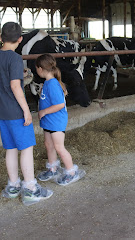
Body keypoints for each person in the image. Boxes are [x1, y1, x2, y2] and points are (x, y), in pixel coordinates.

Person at [0, 22, 53, 206]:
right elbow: (15, 86)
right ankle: (30, 189)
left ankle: (13, 186)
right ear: (20, 39)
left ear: (0, 38)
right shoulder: (15, 58)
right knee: (26, 148)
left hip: (1, 110)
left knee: (11, 149)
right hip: (16, 111)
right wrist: (26, 111)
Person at [35, 54, 85, 186]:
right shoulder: (47, 82)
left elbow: (59, 105)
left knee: (59, 147)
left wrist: (44, 111)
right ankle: (53, 168)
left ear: (40, 68)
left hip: (56, 121)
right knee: (49, 144)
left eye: (36, 68)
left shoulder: (52, 84)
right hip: (48, 120)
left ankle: (71, 172)